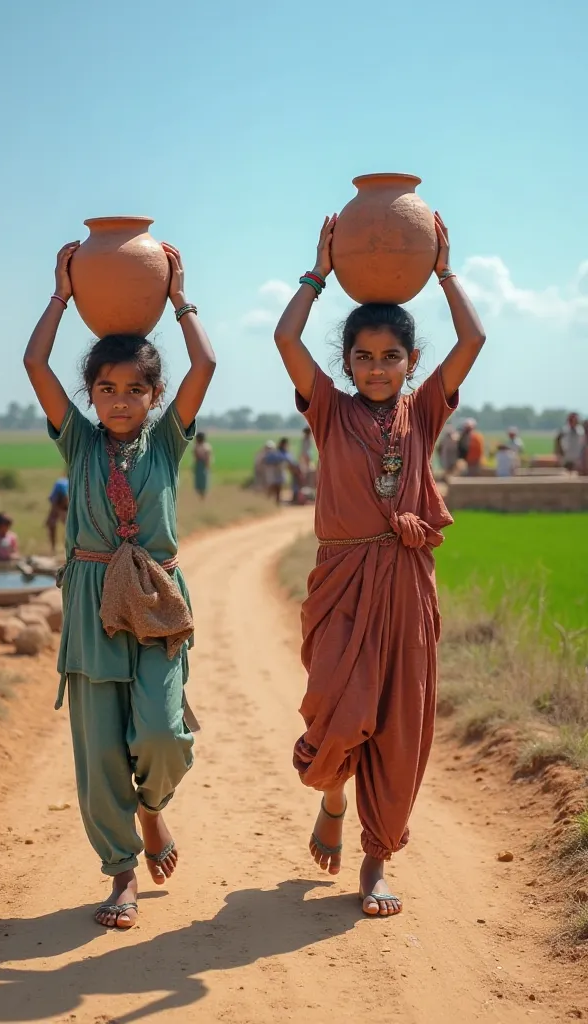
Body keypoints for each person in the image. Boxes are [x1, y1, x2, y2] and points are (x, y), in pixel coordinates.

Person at [273, 211, 485, 918]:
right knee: (336, 716)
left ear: (411, 364)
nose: (376, 368)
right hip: (340, 585)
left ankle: (375, 861)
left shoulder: (423, 414)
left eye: (390, 357)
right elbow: (285, 337)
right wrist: (320, 271)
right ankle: (332, 799)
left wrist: (445, 272)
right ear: (347, 364)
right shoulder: (328, 412)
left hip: (406, 586)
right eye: (363, 356)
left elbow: (474, 337)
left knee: (398, 724)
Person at [23, 239, 216, 930]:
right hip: (91, 604)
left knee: (163, 736)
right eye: (106, 388)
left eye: (136, 389)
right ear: (90, 395)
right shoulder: (76, 441)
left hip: (159, 601)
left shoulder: (167, 443)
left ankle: (153, 808)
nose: (121, 400)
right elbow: (34, 363)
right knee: (101, 748)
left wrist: (177, 296)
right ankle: (121, 874)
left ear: (155, 395)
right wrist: (61, 295)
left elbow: (208, 363)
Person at [263, 437, 296, 505]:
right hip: (275, 473)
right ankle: (269, 502)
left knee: (278, 489)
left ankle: (275, 502)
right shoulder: (279, 453)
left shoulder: (283, 453)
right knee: (273, 488)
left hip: (280, 473)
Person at [47, 475, 69, 552]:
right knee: (51, 524)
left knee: (69, 526)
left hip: (65, 503)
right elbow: (54, 504)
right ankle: (53, 548)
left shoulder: (65, 491)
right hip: (61, 502)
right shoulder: (59, 490)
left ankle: (68, 546)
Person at [193, 432, 212, 498]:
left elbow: (207, 457)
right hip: (199, 463)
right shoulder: (200, 446)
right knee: (200, 478)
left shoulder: (205, 446)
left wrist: (207, 465)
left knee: (203, 478)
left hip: (202, 463)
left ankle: (202, 493)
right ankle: (201, 493)